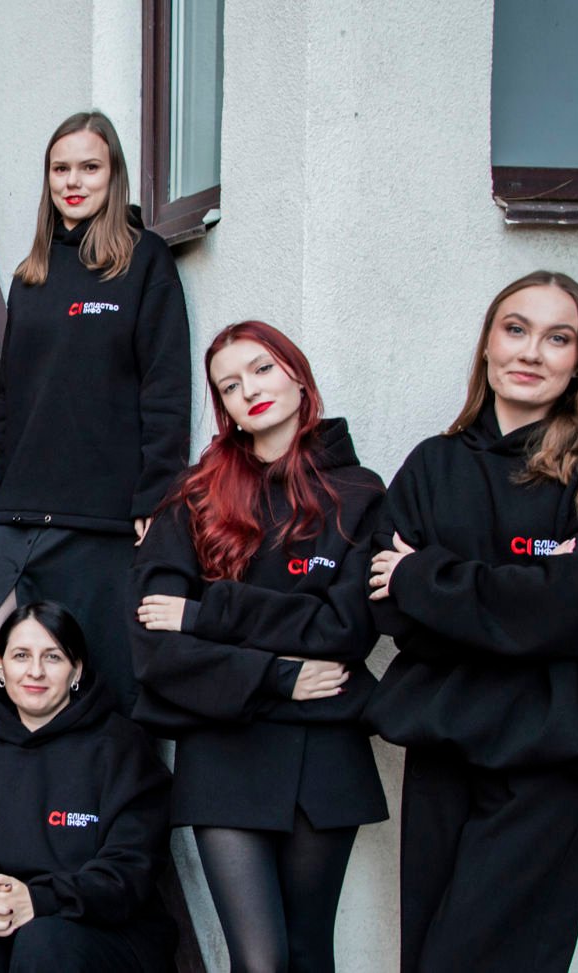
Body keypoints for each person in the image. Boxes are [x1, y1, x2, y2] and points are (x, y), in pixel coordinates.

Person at [364, 271, 578, 973]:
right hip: (447, 746)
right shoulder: (432, 465)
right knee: (427, 959)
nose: (532, 351)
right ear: (488, 344)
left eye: (558, 337)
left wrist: (426, 575)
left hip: (552, 756)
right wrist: (509, 601)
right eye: (515, 328)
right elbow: (390, 608)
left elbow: (553, 608)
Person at [130, 321, 387, 973]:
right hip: (225, 748)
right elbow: (156, 647)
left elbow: (347, 630)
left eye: (262, 369)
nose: (250, 390)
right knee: (260, 961)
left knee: (307, 954)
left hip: (322, 751)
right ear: (225, 409)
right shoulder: (192, 498)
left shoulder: (359, 494)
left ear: (297, 376)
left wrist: (207, 614)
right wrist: (277, 674)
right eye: (230, 385)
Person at [0, 110, 192, 734]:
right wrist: (3, 492)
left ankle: (107, 814)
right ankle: (1, 801)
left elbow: (166, 389)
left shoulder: (146, 263)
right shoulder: (30, 275)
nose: (73, 181)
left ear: (114, 175)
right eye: (61, 169)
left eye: (90, 167)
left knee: (103, 678)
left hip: (106, 512)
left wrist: (155, 494)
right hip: (25, 506)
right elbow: (14, 399)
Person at [0, 601, 176, 972]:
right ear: (1, 667)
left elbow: (129, 872)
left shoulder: (121, 748)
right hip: (10, 926)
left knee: (45, 940)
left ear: (77, 669)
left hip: (105, 931)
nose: (35, 671)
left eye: (53, 657)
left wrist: (38, 901)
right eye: (21, 655)